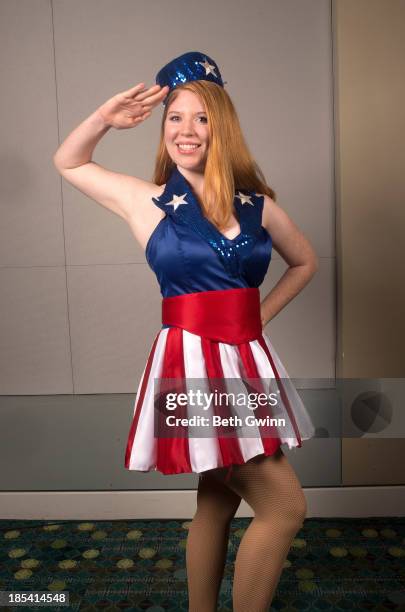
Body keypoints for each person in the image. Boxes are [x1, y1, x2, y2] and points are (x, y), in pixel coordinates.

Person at [54, 51, 318, 612]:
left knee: (217, 502)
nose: (187, 130)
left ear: (221, 127)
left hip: (245, 367)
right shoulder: (145, 202)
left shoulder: (258, 207)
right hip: (191, 369)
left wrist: (258, 317)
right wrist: (105, 117)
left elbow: (305, 263)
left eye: (201, 118)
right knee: (285, 508)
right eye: (175, 116)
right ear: (162, 127)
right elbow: (69, 163)